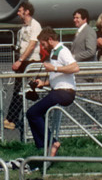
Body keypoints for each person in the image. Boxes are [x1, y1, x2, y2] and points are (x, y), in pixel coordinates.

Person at [26, 27, 77, 156]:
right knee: (35, 114)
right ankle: (45, 147)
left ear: (50, 40)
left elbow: (75, 67)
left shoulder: (62, 50)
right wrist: (43, 83)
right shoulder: (55, 52)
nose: (43, 47)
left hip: (64, 92)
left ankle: (51, 143)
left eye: (43, 44)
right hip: (58, 91)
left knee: (32, 113)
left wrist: (53, 68)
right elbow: (59, 75)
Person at [6, 3, 42, 131]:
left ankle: (14, 119)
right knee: (18, 90)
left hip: (30, 62)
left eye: (20, 10)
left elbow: (32, 45)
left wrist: (20, 60)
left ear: (27, 12)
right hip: (23, 61)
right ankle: (11, 119)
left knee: (25, 90)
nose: (18, 13)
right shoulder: (23, 27)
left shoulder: (35, 25)